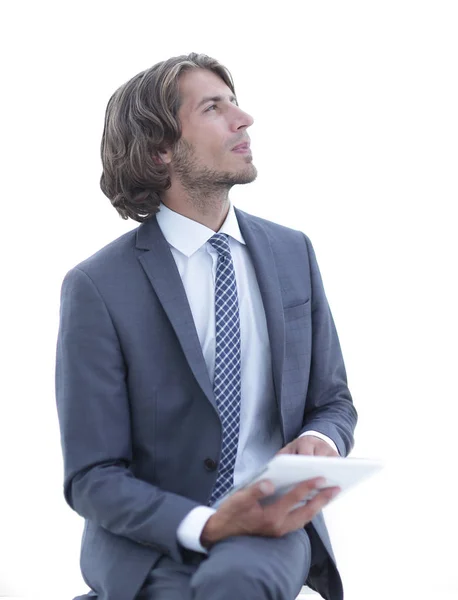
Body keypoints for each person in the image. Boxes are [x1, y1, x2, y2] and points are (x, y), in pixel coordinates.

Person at [55, 52, 358, 600]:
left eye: (234, 103)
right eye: (214, 108)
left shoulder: (293, 254)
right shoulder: (97, 286)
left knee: (234, 585)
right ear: (160, 149)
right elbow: (92, 476)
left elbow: (333, 401)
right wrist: (208, 524)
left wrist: (318, 440)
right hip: (146, 541)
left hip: (268, 527)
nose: (244, 120)